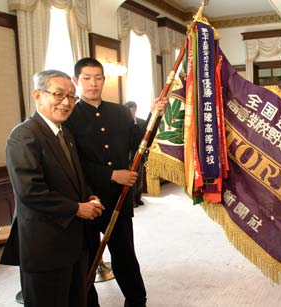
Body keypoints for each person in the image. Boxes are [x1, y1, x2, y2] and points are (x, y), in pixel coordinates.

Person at [65, 58, 168, 307]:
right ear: (76, 81)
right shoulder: (68, 116)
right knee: (87, 258)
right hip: (86, 201)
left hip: (119, 201)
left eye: (98, 78)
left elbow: (139, 143)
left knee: (125, 257)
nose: (93, 84)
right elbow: (71, 162)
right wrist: (111, 175)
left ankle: (136, 301)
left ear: (104, 79)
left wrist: (154, 116)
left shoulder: (120, 112)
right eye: (87, 78)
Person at [0, 70, 104, 307]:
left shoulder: (64, 132)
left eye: (71, 96)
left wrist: (89, 194)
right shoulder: (24, 135)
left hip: (73, 242)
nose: (66, 102)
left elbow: (74, 176)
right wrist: (77, 208)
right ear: (38, 95)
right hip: (45, 244)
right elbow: (30, 191)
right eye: (58, 94)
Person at [124, 101, 146, 208]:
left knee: (139, 178)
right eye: (129, 110)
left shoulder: (142, 122)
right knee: (131, 179)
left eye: (132, 110)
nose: (131, 112)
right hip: (128, 155)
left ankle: (138, 198)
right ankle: (131, 201)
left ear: (135, 109)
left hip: (140, 154)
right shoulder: (122, 123)